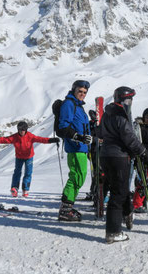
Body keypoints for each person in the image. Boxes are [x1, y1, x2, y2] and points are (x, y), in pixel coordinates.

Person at [99, 86, 147, 243]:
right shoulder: (120, 115)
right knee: (118, 194)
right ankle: (113, 231)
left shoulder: (107, 114)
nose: (130, 102)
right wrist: (142, 151)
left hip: (106, 156)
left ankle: (127, 214)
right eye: (129, 99)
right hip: (119, 157)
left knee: (120, 189)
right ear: (123, 99)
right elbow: (128, 137)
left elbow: (99, 133)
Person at [56, 80, 92, 221]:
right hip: (75, 147)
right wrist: (77, 137)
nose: (82, 94)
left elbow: (81, 126)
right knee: (76, 177)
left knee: (79, 177)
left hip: (81, 148)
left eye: (84, 92)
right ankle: (65, 210)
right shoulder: (69, 104)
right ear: (74, 90)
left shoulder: (78, 106)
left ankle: (67, 208)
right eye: (80, 91)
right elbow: (64, 125)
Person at [0, 121, 60, 198]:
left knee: (28, 173)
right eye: (20, 129)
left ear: (26, 129)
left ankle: (25, 190)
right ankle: (14, 189)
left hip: (29, 157)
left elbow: (40, 139)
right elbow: (4, 140)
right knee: (17, 172)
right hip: (19, 157)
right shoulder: (14, 137)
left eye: (23, 129)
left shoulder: (30, 136)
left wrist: (51, 140)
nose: (22, 131)